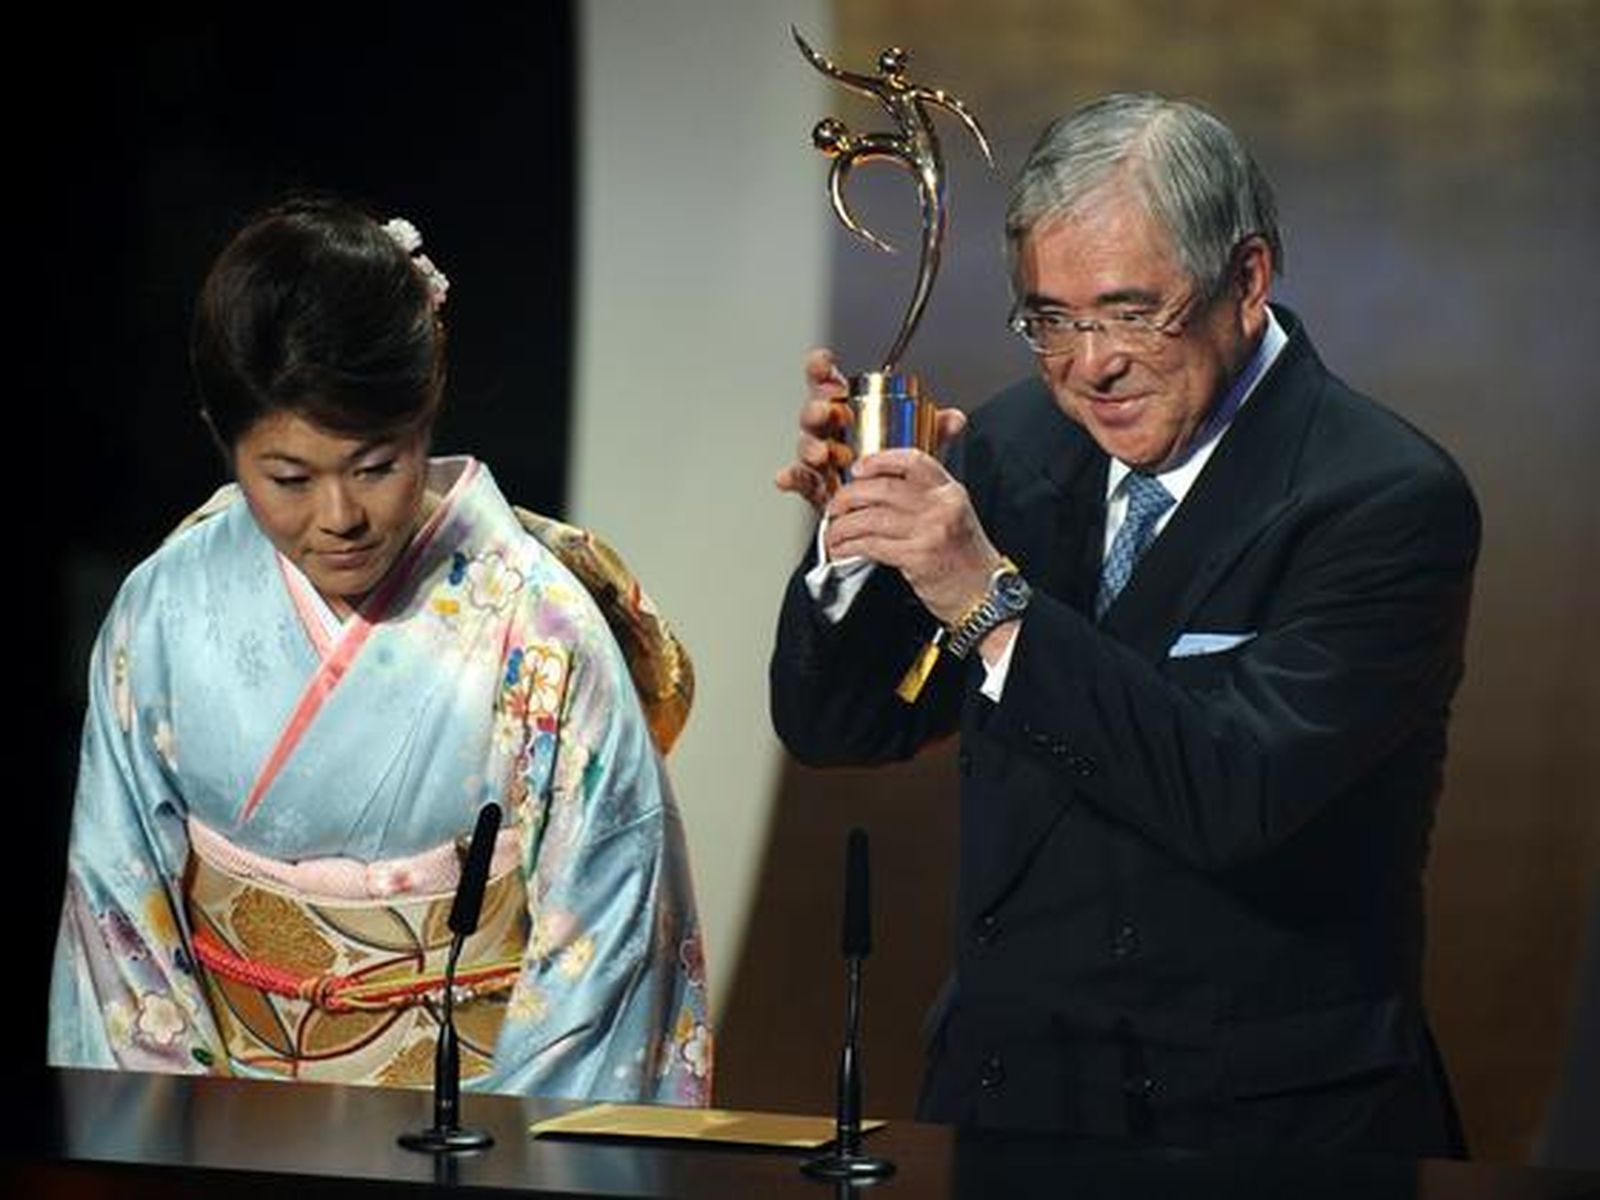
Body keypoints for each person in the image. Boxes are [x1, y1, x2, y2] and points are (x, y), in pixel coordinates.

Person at [771, 93, 1477, 1155]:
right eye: (1051, 320)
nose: (1090, 363)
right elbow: (843, 726)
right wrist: (855, 542)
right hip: (1010, 1104)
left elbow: (1236, 792)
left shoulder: (1381, 497)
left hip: (1262, 1134)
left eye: (1131, 312)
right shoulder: (1018, 444)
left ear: (1247, 279)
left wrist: (992, 606)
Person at [50, 199, 711, 1104]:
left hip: (477, 1125)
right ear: (221, 438)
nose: (339, 516)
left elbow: (605, 955)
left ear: (425, 416)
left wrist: (493, 1152)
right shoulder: (165, 610)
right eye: (288, 477)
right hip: (218, 1130)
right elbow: (116, 917)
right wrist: (183, 1142)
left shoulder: (540, 630)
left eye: (375, 466)